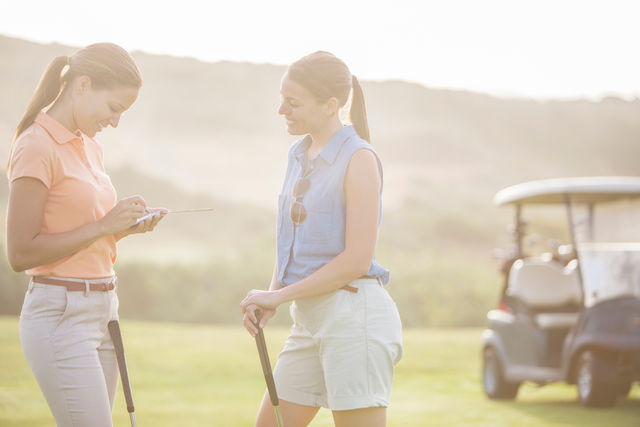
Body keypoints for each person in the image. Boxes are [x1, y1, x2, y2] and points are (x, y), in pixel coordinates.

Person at [6, 43, 166, 427]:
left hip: (103, 311)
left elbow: (82, 235)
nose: (115, 122)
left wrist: (122, 229)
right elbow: (20, 253)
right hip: (62, 315)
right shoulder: (35, 145)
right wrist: (104, 225)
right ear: (83, 85)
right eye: (114, 108)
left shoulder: (88, 145)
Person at [240, 51, 403, 427]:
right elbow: (293, 244)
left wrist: (278, 296)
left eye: (293, 102)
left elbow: (356, 260)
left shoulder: (359, 158)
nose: (282, 109)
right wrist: (273, 294)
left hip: (354, 318)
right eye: (282, 98)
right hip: (308, 319)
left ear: (331, 105)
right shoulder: (297, 155)